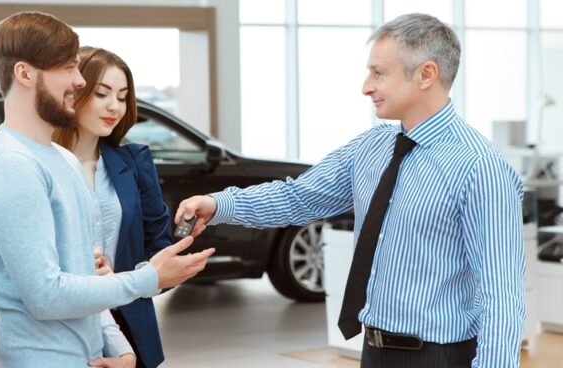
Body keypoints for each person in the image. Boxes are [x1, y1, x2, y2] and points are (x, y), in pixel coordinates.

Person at [176, 13, 524, 368]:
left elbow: (501, 295)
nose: (366, 86)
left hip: (440, 356)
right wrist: (218, 204)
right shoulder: (371, 148)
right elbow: (299, 197)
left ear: (427, 74)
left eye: (379, 73)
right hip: (374, 350)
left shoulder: (481, 168)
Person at [0, 11, 215, 367]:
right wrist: (149, 278)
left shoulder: (61, 160)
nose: (80, 80)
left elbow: (87, 276)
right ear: (24, 73)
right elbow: (46, 296)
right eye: (68, 68)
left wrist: (121, 349)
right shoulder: (10, 164)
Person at [52, 46, 173, 368]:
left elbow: (160, 248)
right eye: (103, 93)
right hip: (64, 331)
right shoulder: (41, 166)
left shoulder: (134, 163)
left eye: (122, 96)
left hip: (131, 330)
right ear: (75, 92)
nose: (114, 106)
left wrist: (121, 280)